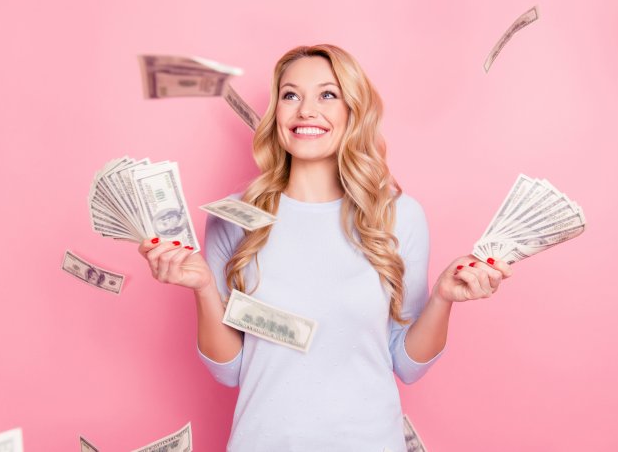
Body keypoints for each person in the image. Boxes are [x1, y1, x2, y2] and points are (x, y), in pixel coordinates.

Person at [138, 44, 512, 451]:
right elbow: (229, 371)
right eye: (290, 95)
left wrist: (442, 298)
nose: (305, 110)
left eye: (327, 95)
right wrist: (204, 288)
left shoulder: (399, 216)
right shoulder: (234, 215)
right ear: (276, 112)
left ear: (353, 111)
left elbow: (406, 364)